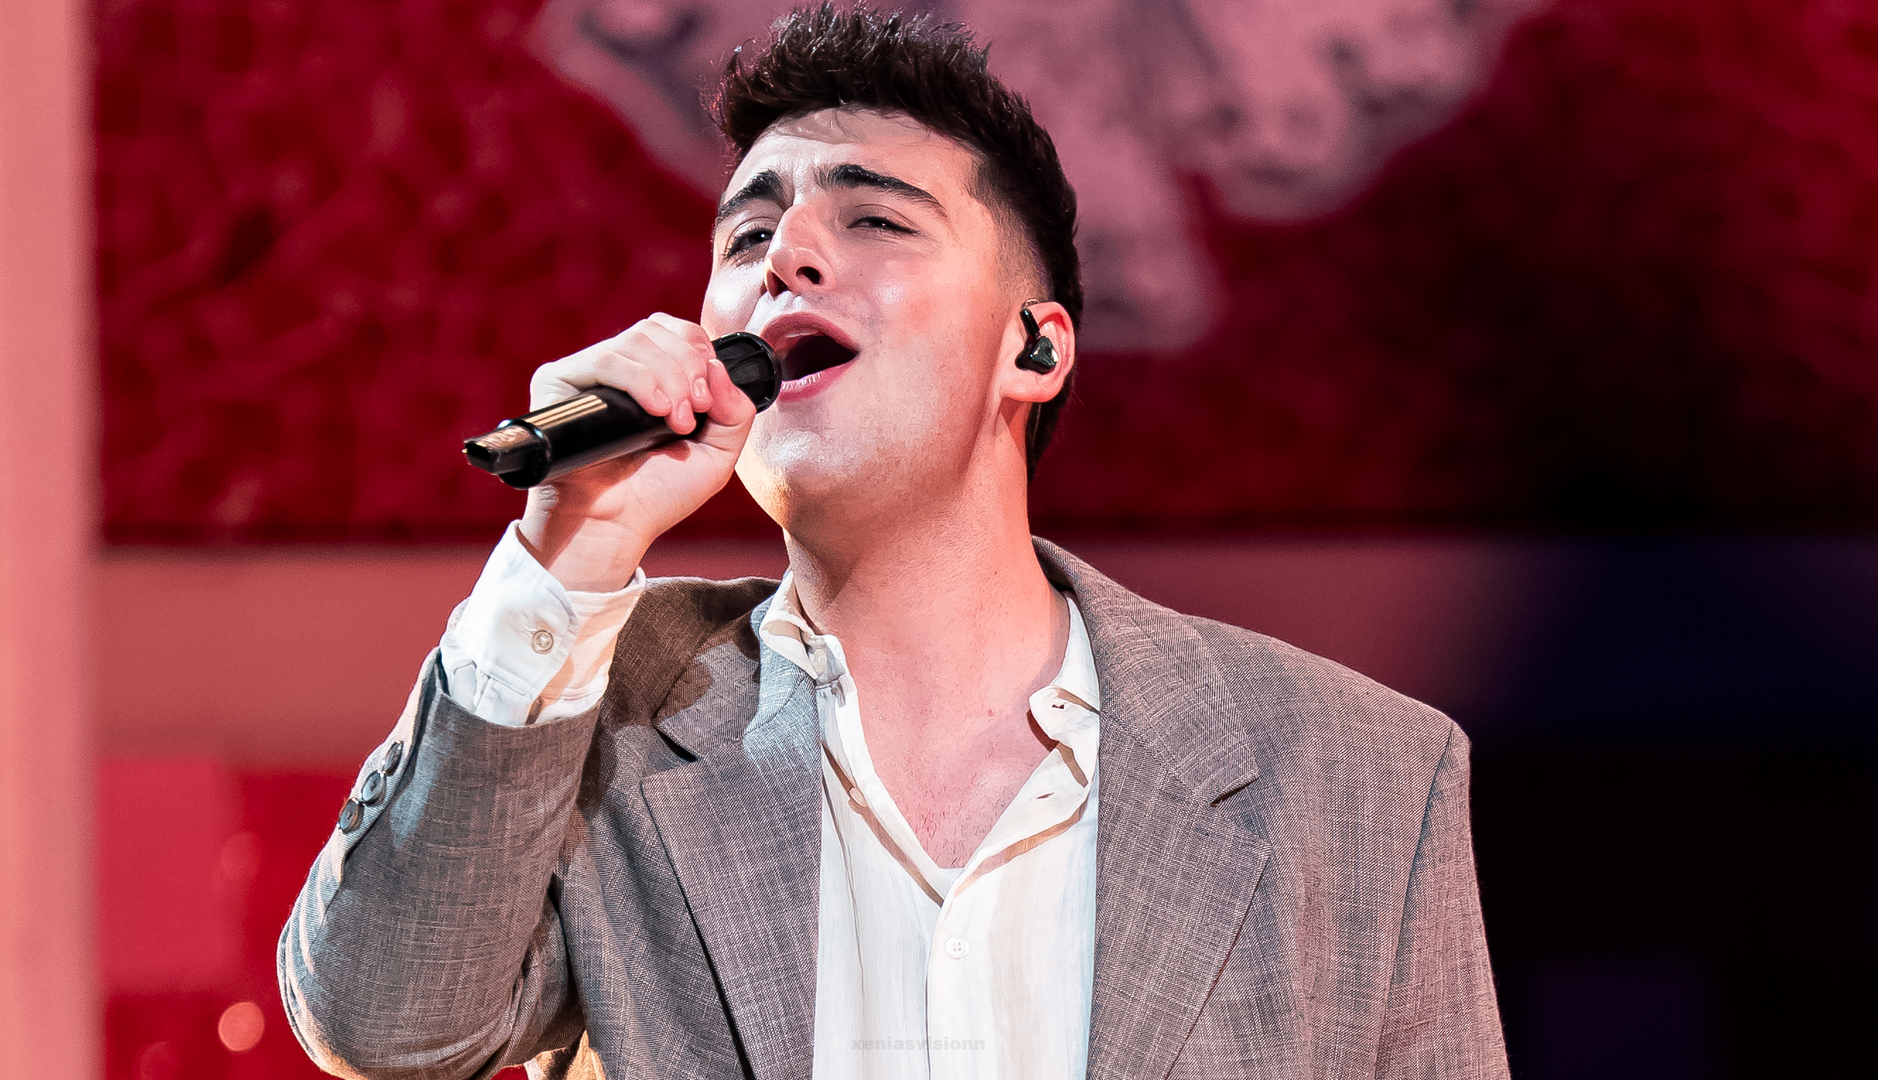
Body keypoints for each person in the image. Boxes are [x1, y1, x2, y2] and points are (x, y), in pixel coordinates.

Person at [279, 5, 1509, 1079]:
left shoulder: (1362, 779)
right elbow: (388, 1024)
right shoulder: (598, 717)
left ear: (1035, 347)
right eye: (747, 239)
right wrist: (571, 548)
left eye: (874, 218)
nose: (786, 260)